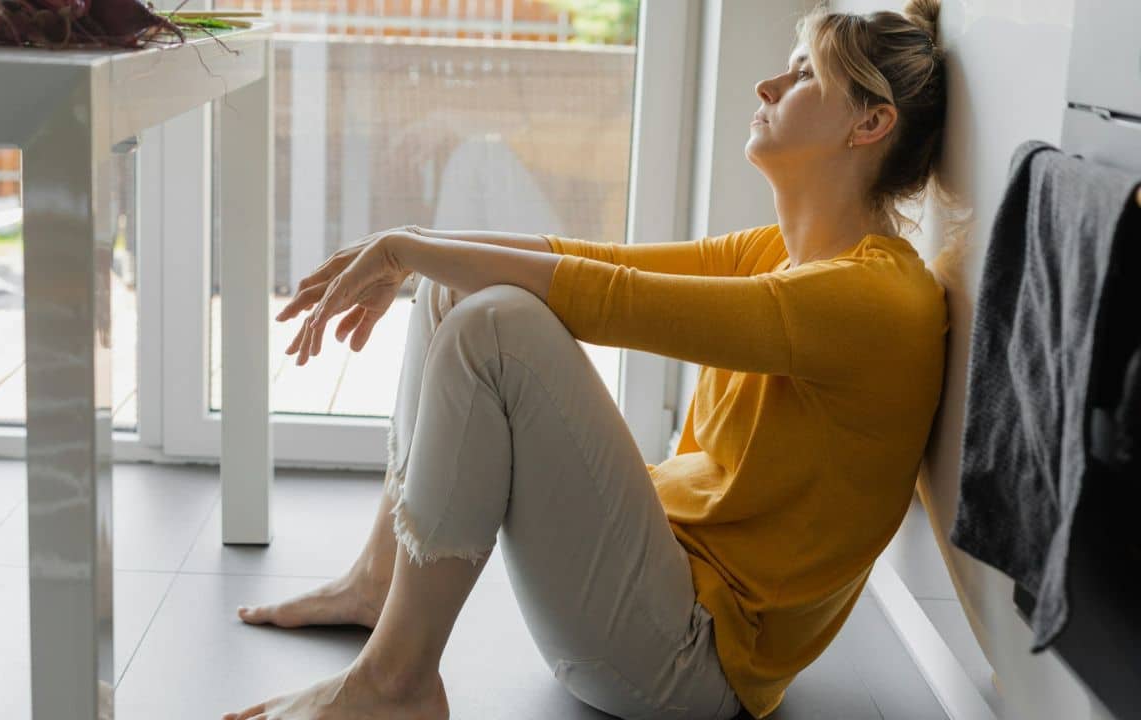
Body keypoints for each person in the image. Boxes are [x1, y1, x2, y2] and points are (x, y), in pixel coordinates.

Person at [223, 0, 948, 718]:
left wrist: (406, 249)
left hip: (687, 663)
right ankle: (378, 583)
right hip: (646, 593)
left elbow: (611, 297)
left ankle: (395, 683)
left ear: (871, 122)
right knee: (459, 289)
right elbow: (589, 258)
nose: (768, 87)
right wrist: (411, 246)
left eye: (802, 75)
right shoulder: (778, 255)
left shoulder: (871, 299)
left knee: (497, 323)